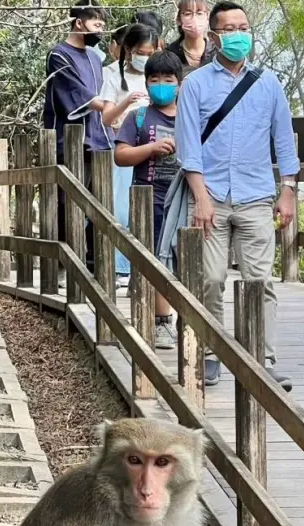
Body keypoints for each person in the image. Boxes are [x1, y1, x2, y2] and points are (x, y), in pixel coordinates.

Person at [176, 0, 300, 391]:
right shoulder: (195, 84)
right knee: (210, 278)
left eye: (243, 27)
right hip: (211, 194)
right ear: (214, 36)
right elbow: (188, 145)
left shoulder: (268, 83)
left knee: (258, 280)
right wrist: (201, 197)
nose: (238, 34)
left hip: (257, 195)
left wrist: (289, 190)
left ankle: (262, 358)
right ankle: (212, 353)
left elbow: (284, 139)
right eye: (229, 28)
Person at [114, 51, 184, 351]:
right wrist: (151, 149)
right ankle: (161, 321)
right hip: (149, 197)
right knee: (156, 260)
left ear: (179, 82)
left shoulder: (190, 115)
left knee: (185, 259)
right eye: (154, 80)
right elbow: (121, 155)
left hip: (183, 198)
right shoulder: (138, 116)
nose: (161, 85)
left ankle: (190, 323)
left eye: (168, 80)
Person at [44, 0, 111, 273]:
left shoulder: (96, 58)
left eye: (104, 25)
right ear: (79, 22)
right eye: (97, 24)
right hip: (68, 138)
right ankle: (65, 264)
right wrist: (105, 105)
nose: (101, 30)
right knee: (67, 202)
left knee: (99, 201)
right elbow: (74, 93)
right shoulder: (58, 55)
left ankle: (96, 264)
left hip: (99, 136)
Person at [100, 23, 159, 287]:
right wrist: (128, 101)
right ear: (127, 50)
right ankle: (121, 269)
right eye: (139, 51)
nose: (144, 57)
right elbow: (106, 118)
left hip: (155, 147)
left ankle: (149, 264)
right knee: (121, 209)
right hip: (126, 146)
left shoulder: (158, 75)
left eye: (149, 51)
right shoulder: (113, 75)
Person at [166, 0, 216, 75]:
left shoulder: (216, 53)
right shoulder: (169, 54)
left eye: (199, 13)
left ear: (207, 17)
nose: (194, 19)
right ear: (178, 19)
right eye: (188, 14)